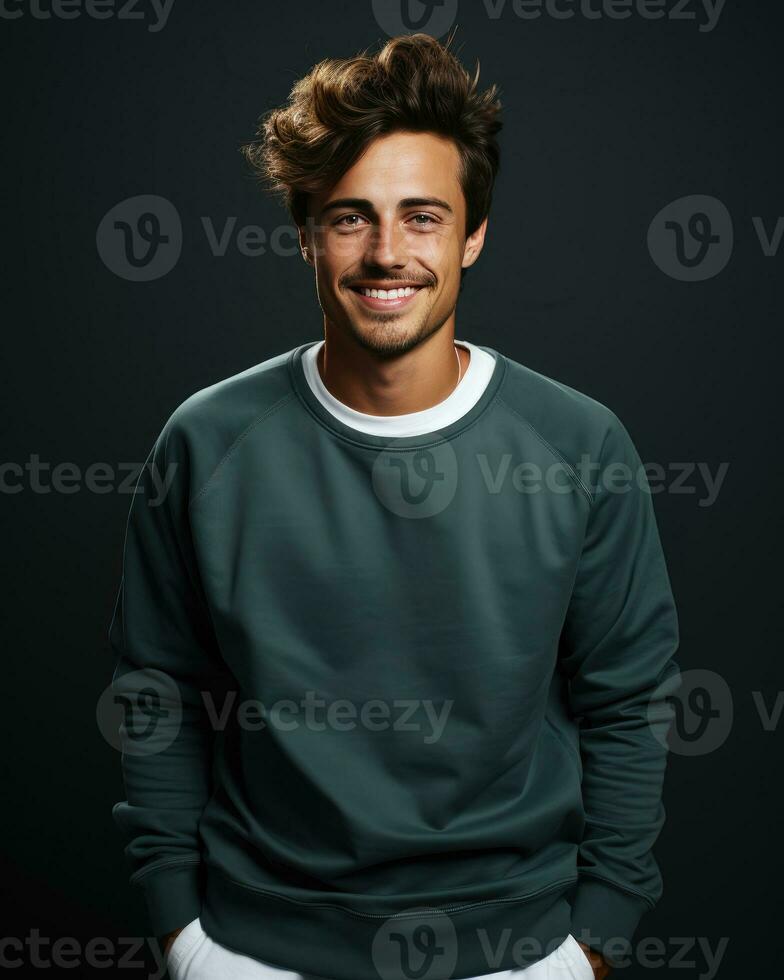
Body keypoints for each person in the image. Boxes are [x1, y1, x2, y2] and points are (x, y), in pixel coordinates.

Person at [109, 32, 681, 980]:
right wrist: (184, 937)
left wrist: (594, 945)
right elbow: (155, 692)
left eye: (422, 217)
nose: (386, 253)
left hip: (519, 950)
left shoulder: (580, 447)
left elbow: (631, 700)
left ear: (474, 233)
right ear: (303, 232)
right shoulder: (206, 443)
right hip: (257, 948)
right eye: (349, 218)